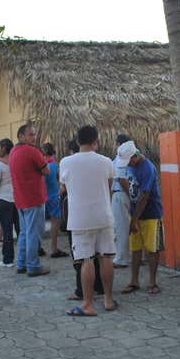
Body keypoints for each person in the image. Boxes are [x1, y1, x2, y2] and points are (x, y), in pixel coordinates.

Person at [60, 125, 116, 316]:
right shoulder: (106, 161)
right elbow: (109, 186)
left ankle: (88, 304)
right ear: (96, 141)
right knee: (106, 256)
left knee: (86, 260)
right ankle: (108, 300)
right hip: (104, 214)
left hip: (80, 218)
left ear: (77, 141)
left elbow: (64, 187)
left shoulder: (66, 162)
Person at [118, 141, 164, 295]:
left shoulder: (148, 169)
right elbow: (127, 183)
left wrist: (134, 220)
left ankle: (152, 282)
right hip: (135, 214)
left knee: (152, 249)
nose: (128, 164)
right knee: (135, 249)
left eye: (130, 160)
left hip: (150, 213)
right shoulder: (131, 166)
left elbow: (144, 196)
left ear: (136, 156)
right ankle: (134, 281)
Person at [62, 139, 104, 301]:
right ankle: (99, 286)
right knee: (99, 254)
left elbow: (63, 188)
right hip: (98, 215)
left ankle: (82, 291)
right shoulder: (99, 163)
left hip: (78, 217)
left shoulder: (69, 164)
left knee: (81, 257)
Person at [8, 123, 50, 277]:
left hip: (20, 198)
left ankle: (22, 263)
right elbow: (46, 171)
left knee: (24, 233)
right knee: (34, 233)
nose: (34, 137)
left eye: (34, 134)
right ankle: (33, 265)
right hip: (34, 198)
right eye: (31, 134)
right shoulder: (32, 151)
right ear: (21, 136)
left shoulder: (13, 151)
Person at [0, 138, 19, 267]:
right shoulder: (15, 162)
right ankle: (23, 257)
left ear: (3, 148)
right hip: (16, 199)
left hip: (3, 199)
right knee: (20, 229)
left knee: (7, 230)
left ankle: (8, 260)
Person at [42, 143, 67, 258]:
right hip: (54, 195)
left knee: (38, 223)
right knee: (54, 223)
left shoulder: (41, 166)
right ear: (53, 153)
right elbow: (61, 181)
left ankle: (38, 248)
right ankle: (54, 248)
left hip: (42, 196)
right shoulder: (55, 166)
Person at [111, 134, 132, 268]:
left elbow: (120, 178)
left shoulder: (120, 157)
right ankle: (134, 256)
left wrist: (130, 194)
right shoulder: (131, 155)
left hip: (121, 194)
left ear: (118, 144)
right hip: (129, 194)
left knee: (121, 227)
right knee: (129, 226)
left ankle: (121, 259)